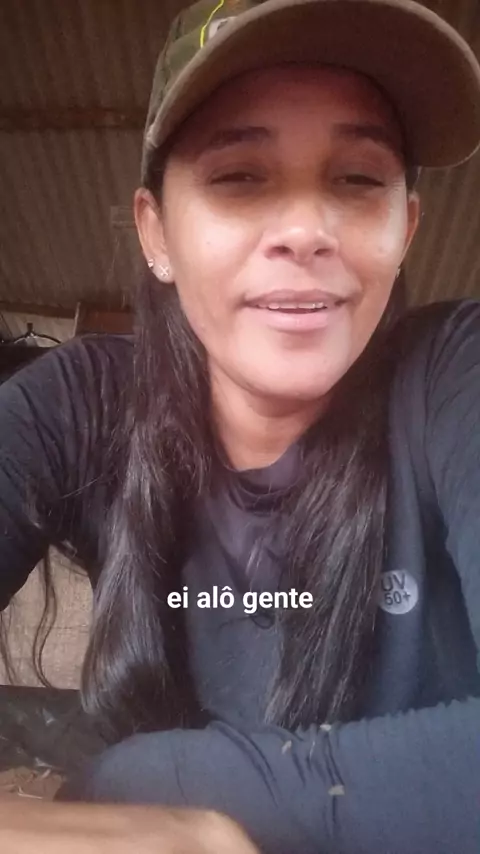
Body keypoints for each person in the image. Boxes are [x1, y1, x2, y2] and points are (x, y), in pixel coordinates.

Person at [0, 0, 479, 851]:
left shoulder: (456, 374)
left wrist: (149, 789)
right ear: (156, 234)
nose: (305, 230)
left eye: (357, 179)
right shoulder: (84, 403)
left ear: (405, 227)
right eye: (239, 177)